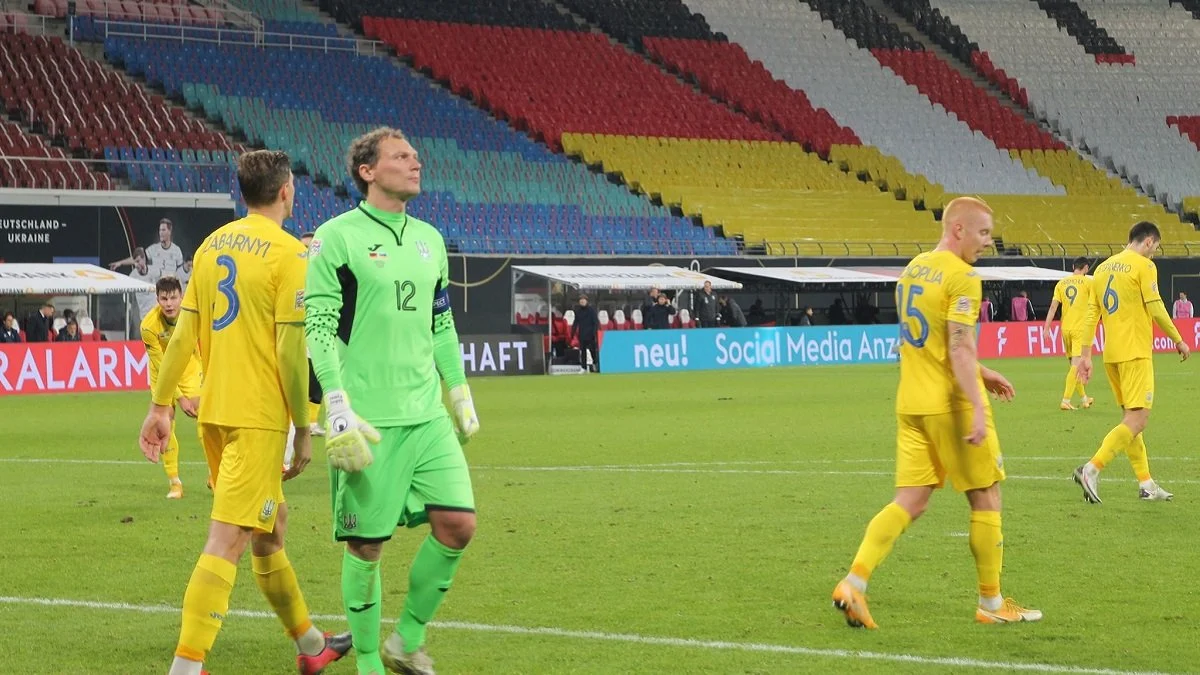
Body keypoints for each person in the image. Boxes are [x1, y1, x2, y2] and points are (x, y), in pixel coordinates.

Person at [137, 150, 352, 675]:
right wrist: (303, 426)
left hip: (215, 412)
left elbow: (182, 337)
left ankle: (310, 645)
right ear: (286, 191)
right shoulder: (289, 254)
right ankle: (186, 667)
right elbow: (290, 352)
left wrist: (160, 406)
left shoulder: (211, 246)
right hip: (257, 418)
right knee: (228, 538)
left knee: (271, 526)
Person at [305, 127, 480, 675]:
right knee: (367, 546)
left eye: (415, 155)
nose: (415, 162)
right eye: (401, 156)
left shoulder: (431, 239)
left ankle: (405, 641)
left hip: (426, 416)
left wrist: (457, 388)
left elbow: (441, 323)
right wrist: (335, 403)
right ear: (368, 171)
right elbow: (319, 326)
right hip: (368, 420)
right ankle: (367, 662)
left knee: (459, 525)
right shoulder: (336, 238)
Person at [832, 197, 1040, 629]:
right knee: (986, 496)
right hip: (951, 406)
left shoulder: (914, 269)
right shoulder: (962, 276)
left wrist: (983, 372)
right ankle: (991, 602)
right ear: (958, 229)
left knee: (910, 500)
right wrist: (977, 406)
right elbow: (959, 348)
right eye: (983, 232)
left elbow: (931, 344)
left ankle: (854, 583)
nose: (989, 241)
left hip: (912, 403)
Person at [1073, 221, 1188, 504]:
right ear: (1148, 241)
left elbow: (1091, 315)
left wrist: (1085, 355)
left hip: (1112, 356)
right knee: (1138, 420)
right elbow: (1156, 306)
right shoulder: (1144, 265)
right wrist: (1178, 338)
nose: (1154, 253)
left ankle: (1146, 484)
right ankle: (1091, 469)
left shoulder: (1101, 269)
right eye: (1155, 247)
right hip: (1135, 353)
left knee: (1131, 421)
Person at [141, 276, 203, 499]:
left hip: (188, 366)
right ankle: (174, 482)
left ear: (181, 297)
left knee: (204, 414)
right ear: (157, 299)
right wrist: (179, 397)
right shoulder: (149, 326)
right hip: (161, 373)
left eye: (173, 298)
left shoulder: (192, 314)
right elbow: (162, 366)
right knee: (164, 419)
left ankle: (215, 474)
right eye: (164, 299)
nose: (169, 304)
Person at [1042, 257, 1094, 410]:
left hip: (1065, 329)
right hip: (1080, 329)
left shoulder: (1061, 283)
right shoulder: (1088, 282)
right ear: (1086, 268)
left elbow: (1053, 307)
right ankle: (1066, 400)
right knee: (1076, 366)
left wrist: (1046, 328)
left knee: (1073, 365)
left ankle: (1084, 398)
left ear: (1073, 267)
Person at [571, 293, 600, 372]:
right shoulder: (578, 311)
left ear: (586, 301)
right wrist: (572, 332)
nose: (582, 302)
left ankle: (595, 364)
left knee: (593, 351)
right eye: (581, 300)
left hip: (591, 334)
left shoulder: (591, 310)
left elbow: (596, 322)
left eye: (583, 300)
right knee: (583, 352)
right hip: (582, 334)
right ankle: (583, 367)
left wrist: (594, 333)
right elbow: (575, 322)